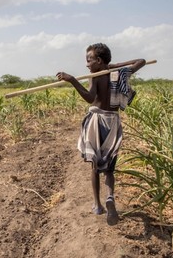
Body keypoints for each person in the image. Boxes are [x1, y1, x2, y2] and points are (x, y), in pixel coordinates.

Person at [56, 43, 145, 225]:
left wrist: (72, 80)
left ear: (98, 61)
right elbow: (141, 61)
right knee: (110, 167)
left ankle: (97, 205)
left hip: (97, 122)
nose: (87, 65)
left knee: (95, 166)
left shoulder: (95, 76)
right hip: (113, 121)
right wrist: (114, 66)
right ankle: (110, 196)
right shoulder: (119, 73)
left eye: (89, 60)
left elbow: (89, 98)